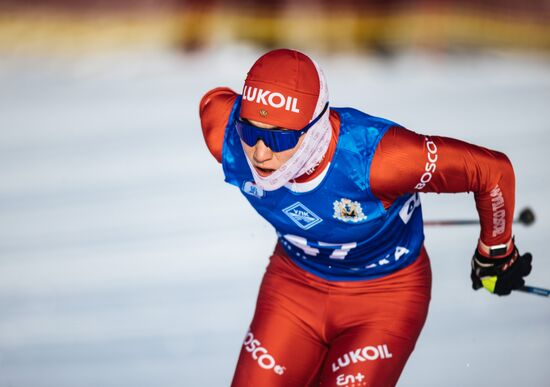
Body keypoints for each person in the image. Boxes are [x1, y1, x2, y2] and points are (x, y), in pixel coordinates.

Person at [198, 49, 532, 387]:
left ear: (315, 126)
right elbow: (214, 102)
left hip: (383, 297)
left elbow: (491, 171)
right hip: (294, 289)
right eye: (250, 129)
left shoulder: (380, 160)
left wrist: (497, 251)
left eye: (278, 137)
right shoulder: (224, 132)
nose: (259, 152)